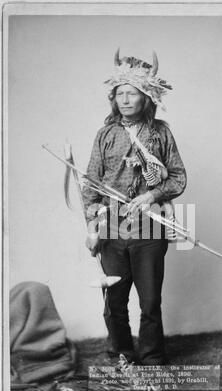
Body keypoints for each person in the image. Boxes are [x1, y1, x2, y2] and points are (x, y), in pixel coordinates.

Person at [82, 49, 187, 365]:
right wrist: (92, 225)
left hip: (150, 225)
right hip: (112, 225)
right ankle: (121, 353)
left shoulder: (160, 132)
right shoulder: (106, 134)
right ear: (113, 99)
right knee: (114, 298)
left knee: (150, 299)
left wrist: (151, 196)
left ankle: (153, 356)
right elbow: (90, 184)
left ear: (147, 98)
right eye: (120, 94)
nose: (126, 99)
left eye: (133, 93)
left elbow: (178, 177)